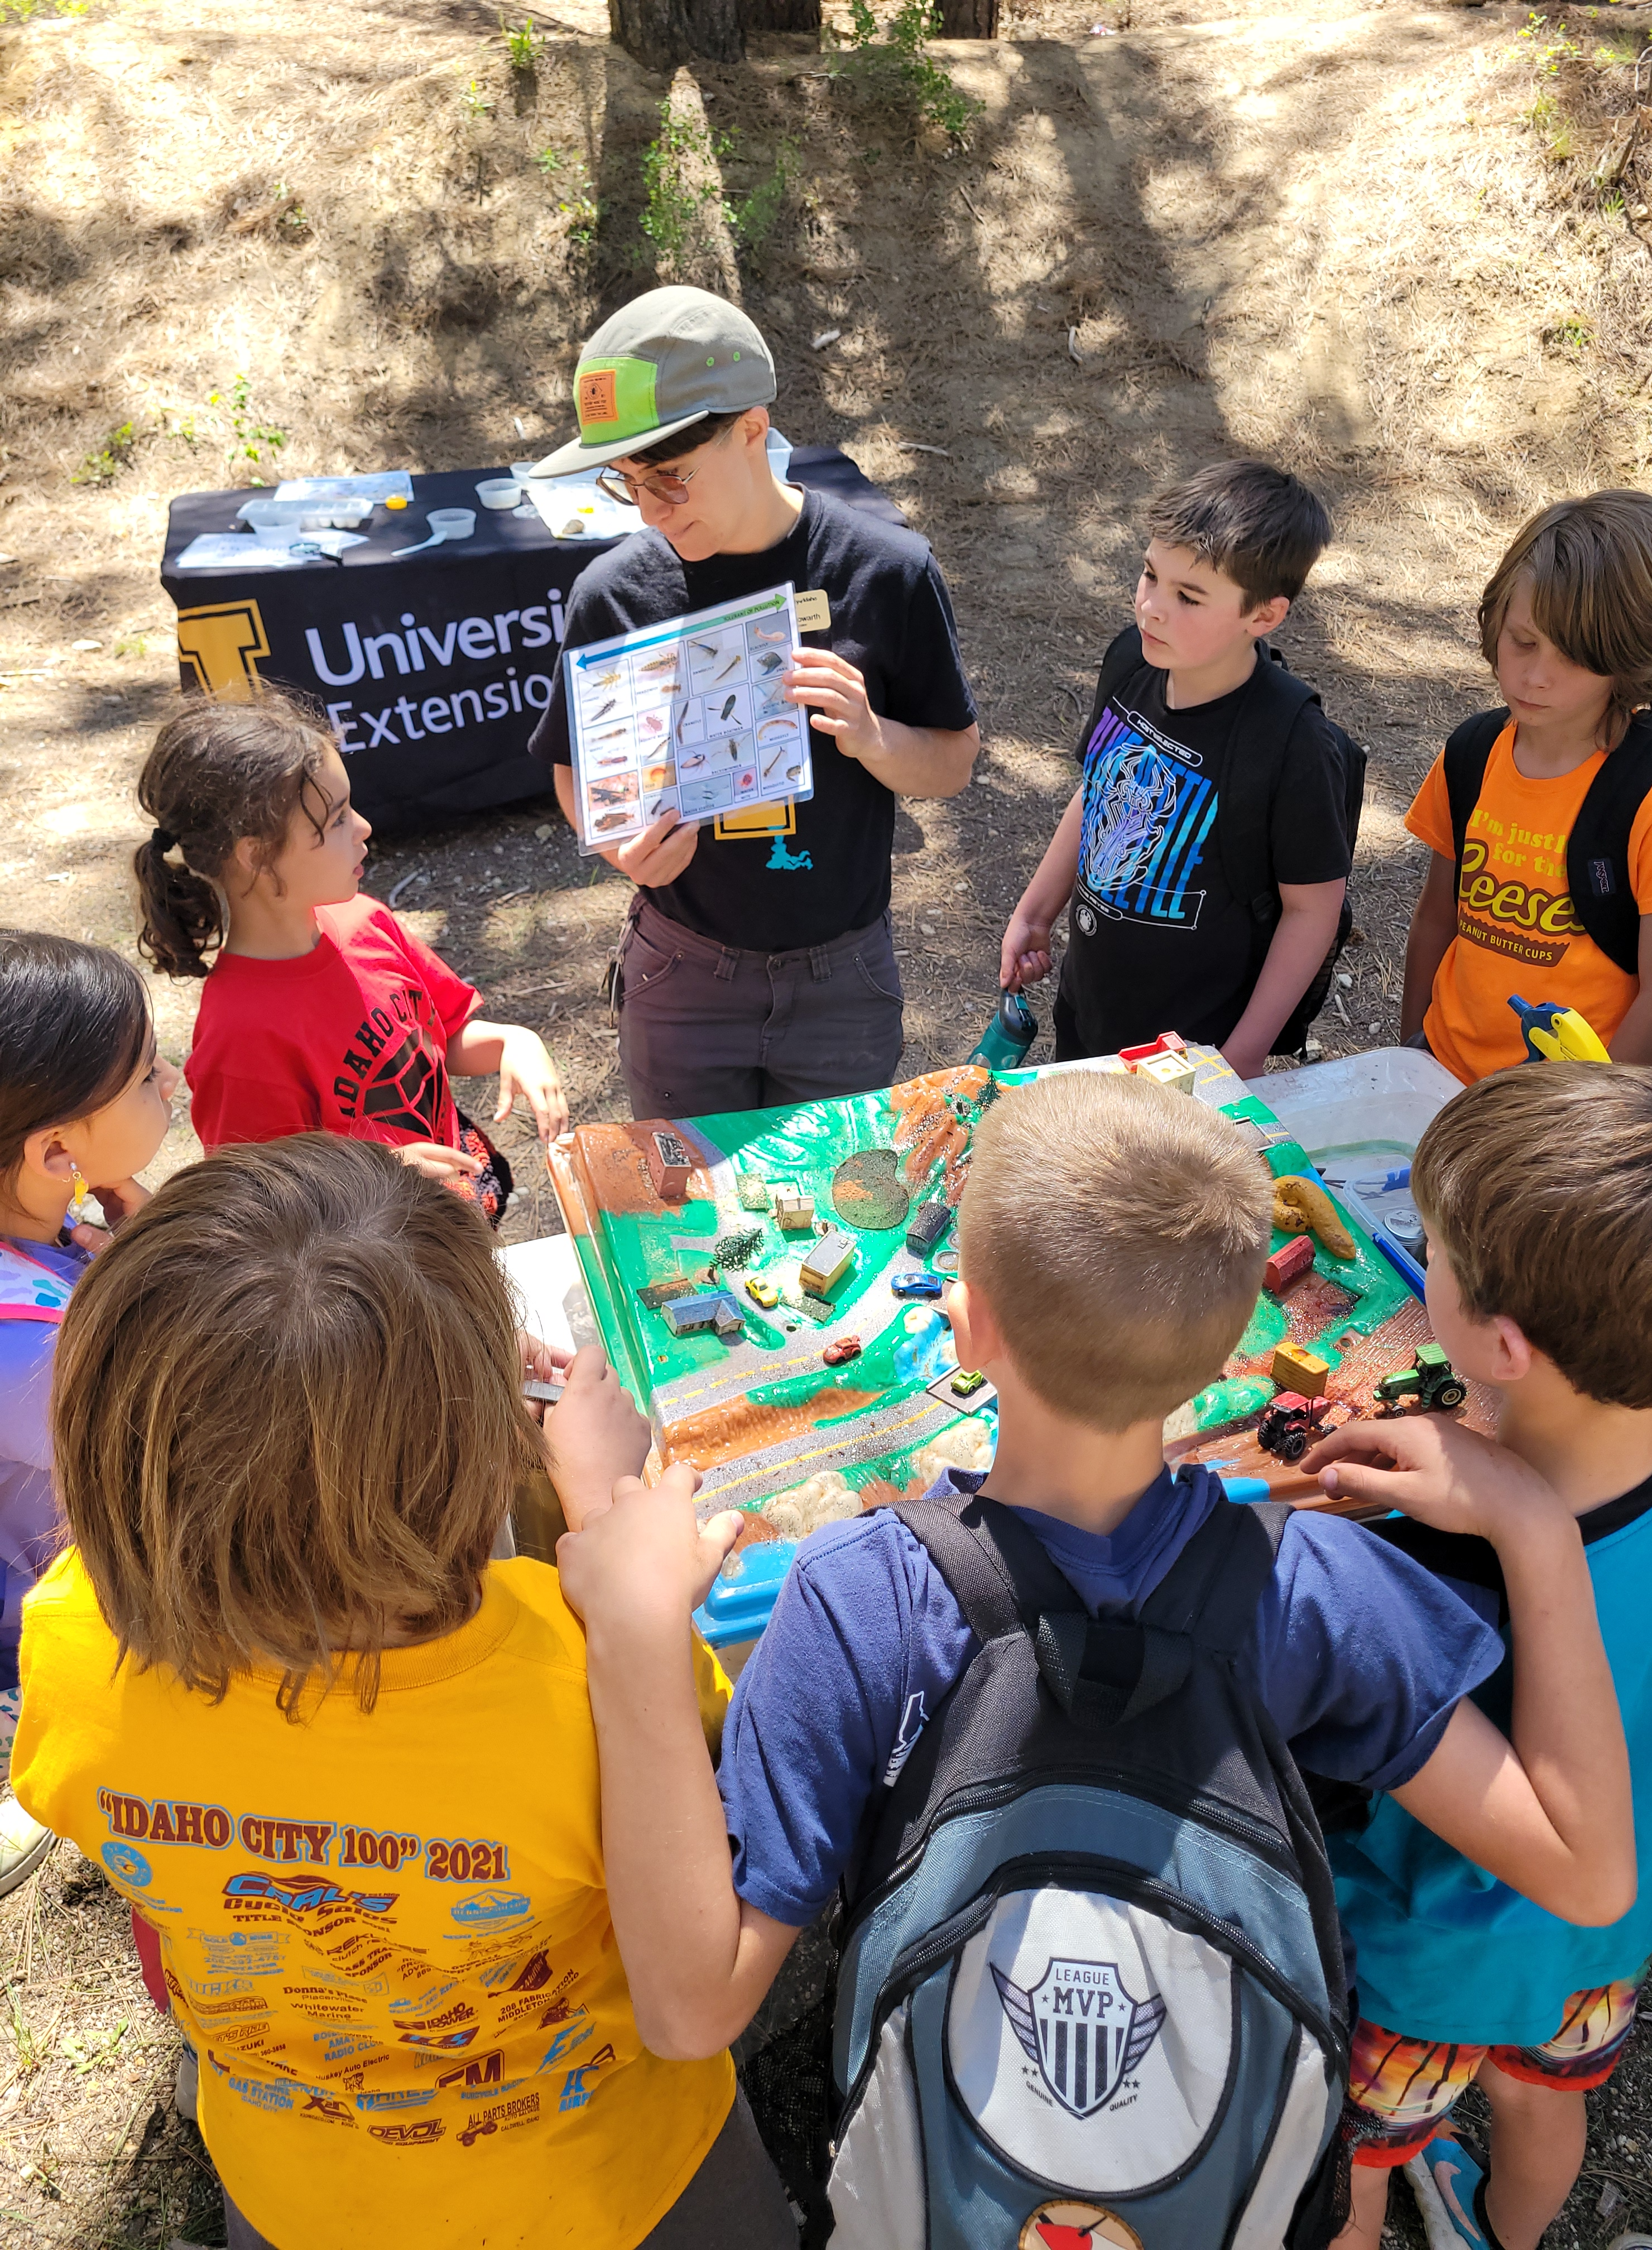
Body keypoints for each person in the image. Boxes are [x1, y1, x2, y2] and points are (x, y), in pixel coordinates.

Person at [550, 1070, 1635, 2243]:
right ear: (1232, 1350)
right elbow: (1589, 1876)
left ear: (967, 1328)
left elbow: (689, 2005)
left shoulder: (857, 1599)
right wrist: (1537, 1532)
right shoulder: (1311, 1586)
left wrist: (638, 1636)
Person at [12, 1134, 795, 2250]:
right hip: (614, 2192)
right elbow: (696, 1900)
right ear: (485, 1454)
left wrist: (348, 1265)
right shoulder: (586, 1669)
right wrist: (600, 1507)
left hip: (298, 2192)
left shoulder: (72, 1637)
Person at [1321, 1064, 1652, 2250]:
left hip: (1418, 1958)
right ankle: (1507, 2239)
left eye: (1431, 1253)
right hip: (1605, 1940)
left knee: (1356, 2163)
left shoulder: (1435, 1578)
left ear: (1505, 1343)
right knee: (1543, 2104)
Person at [525, 285, 979, 1121]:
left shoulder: (887, 570)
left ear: (752, 429)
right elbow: (571, 768)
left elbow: (954, 759)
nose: (654, 512)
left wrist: (875, 738)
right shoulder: (611, 594)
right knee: (691, 1222)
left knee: (839, 1211)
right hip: (681, 974)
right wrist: (620, 843)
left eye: (670, 479)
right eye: (627, 485)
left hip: (843, 977)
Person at [135, 692, 566, 1222]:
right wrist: (385, 1170)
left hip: (451, 1216)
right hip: (369, 1274)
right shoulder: (240, 1036)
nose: (363, 827)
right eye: (337, 819)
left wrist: (512, 1042)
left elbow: (440, 1039)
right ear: (256, 855)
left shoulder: (365, 920)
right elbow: (261, 1212)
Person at [1000, 459, 1355, 1079]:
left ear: (1264, 616)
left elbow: (1313, 912)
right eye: (1149, 575)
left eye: (1188, 597)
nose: (1151, 608)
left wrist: (1239, 1059)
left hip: (1195, 1054)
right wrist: (1035, 912)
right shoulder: (1130, 662)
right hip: (1088, 1015)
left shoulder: (1293, 742)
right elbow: (1096, 790)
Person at [1400, 489, 1652, 1083]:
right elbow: (1436, 918)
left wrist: (1581, 1122)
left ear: (1633, 656)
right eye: (1523, 641)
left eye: (1576, 657)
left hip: (1564, 1108)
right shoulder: (1471, 754)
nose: (1534, 677)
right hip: (1440, 1071)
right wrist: (1407, 1054)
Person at [0, 932, 177, 1893]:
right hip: (85, 1625)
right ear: (55, 1147)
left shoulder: (44, 1217)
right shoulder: (36, 1346)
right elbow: (188, 1452)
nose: (175, 1077)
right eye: (151, 1075)